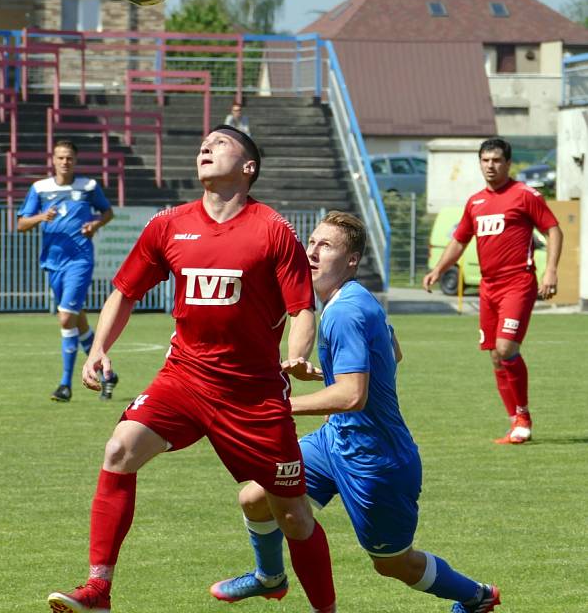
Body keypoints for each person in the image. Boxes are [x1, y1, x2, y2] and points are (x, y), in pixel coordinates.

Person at [47, 124, 337, 613]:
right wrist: (98, 348)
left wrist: (298, 352)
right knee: (119, 449)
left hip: (253, 394)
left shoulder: (272, 229)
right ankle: (98, 589)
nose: (206, 146)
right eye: (204, 143)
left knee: (293, 514)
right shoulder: (168, 224)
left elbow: (302, 307)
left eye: (221, 143)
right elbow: (125, 292)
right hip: (184, 379)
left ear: (248, 168)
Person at [210, 211, 500, 613]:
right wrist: (328, 375)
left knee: (393, 563)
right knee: (255, 498)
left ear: (351, 260)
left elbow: (351, 397)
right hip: (335, 441)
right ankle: (269, 577)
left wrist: (278, 406)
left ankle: (476, 596)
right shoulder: (354, 300)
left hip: (375, 459)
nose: (310, 253)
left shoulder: (344, 311)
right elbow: (392, 354)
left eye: (325, 246)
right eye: (310, 243)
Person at [423, 137, 562, 444]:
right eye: (485, 160)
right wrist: (439, 269)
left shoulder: (525, 195)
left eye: (497, 160)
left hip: (518, 283)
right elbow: (460, 240)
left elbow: (553, 229)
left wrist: (550, 270)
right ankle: (515, 422)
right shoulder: (475, 202)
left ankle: (524, 415)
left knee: (506, 348)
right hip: (488, 289)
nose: (490, 165)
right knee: (495, 358)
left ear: (508, 163)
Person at [17, 139, 116, 403]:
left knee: (64, 319)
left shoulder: (88, 186)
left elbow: (108, 212)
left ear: (75, 160)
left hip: (79, 261)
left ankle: (65, 384)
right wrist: (41, 217)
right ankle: (108, 374)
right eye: (60, 157)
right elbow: (21, 224)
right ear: (53, 160)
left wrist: (95, 225)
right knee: (76, 318)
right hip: (52, 262)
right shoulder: (40, 188)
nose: (65, 162)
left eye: (69, 158)